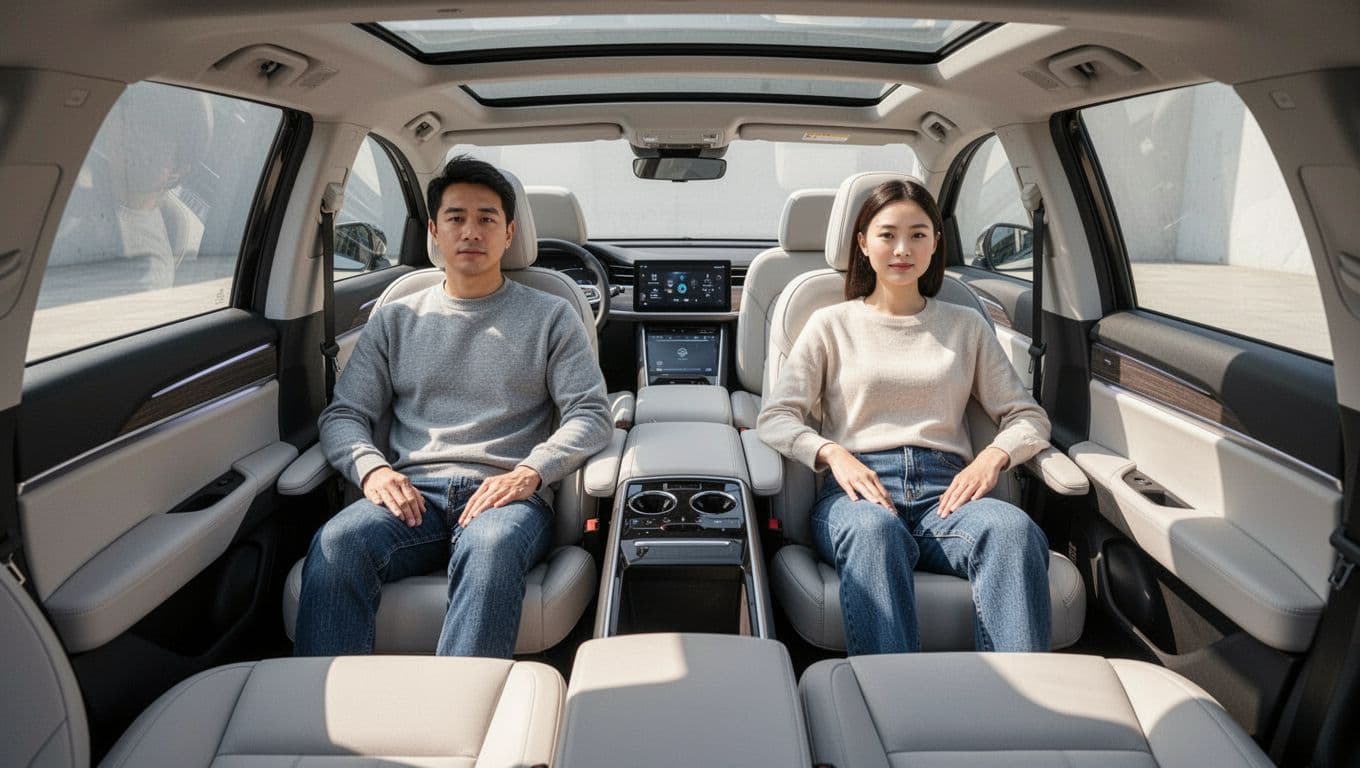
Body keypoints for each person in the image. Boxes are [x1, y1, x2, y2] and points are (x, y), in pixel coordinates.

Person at [294, 155, 612, 658]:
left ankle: (464, 711)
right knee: (339, 545)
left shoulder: (552, 315)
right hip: (408, 496)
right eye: (456, 218)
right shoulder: (395, 317)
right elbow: (344, 414)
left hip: (506, 497)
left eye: (487, 219)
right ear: (434, 232)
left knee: (489, 551)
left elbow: (591, 415)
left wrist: (531, 472)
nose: (471, 231)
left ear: (509, 233)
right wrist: (372, 471)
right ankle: (319, 722)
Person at [757, 179, 1052, 655]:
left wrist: (992, 457)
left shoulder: (966, 325)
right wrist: (831, 453)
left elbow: (1027, 418)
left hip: (950, 497)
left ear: (936, 242)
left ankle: (1023, 708)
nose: (902, 249)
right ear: (862, 244)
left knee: (1013, 531)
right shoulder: (830, 324)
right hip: (858, 493)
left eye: (918, 234)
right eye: (887, 234)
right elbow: (776, 416)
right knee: (875, 534)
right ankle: (888, 702)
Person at [48, 82, 212, 294]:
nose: (131, 139)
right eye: (130, 122)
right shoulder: (75, 166)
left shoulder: (146, 266)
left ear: (177, 171)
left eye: (152, 138)